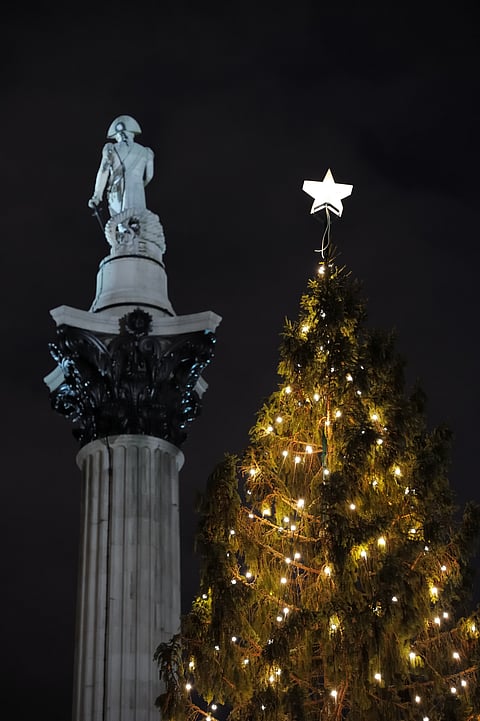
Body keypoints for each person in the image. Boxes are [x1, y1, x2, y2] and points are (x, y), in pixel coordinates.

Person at [88, 115, 154, 217]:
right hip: (139, 196)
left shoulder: (111, 148)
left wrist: (97, 196)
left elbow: (103, 170)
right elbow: (149, 177)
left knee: (121, 227)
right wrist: (140, 185)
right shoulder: (146, 151)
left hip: (118, 194)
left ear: (117, 134)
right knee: (139, 228)